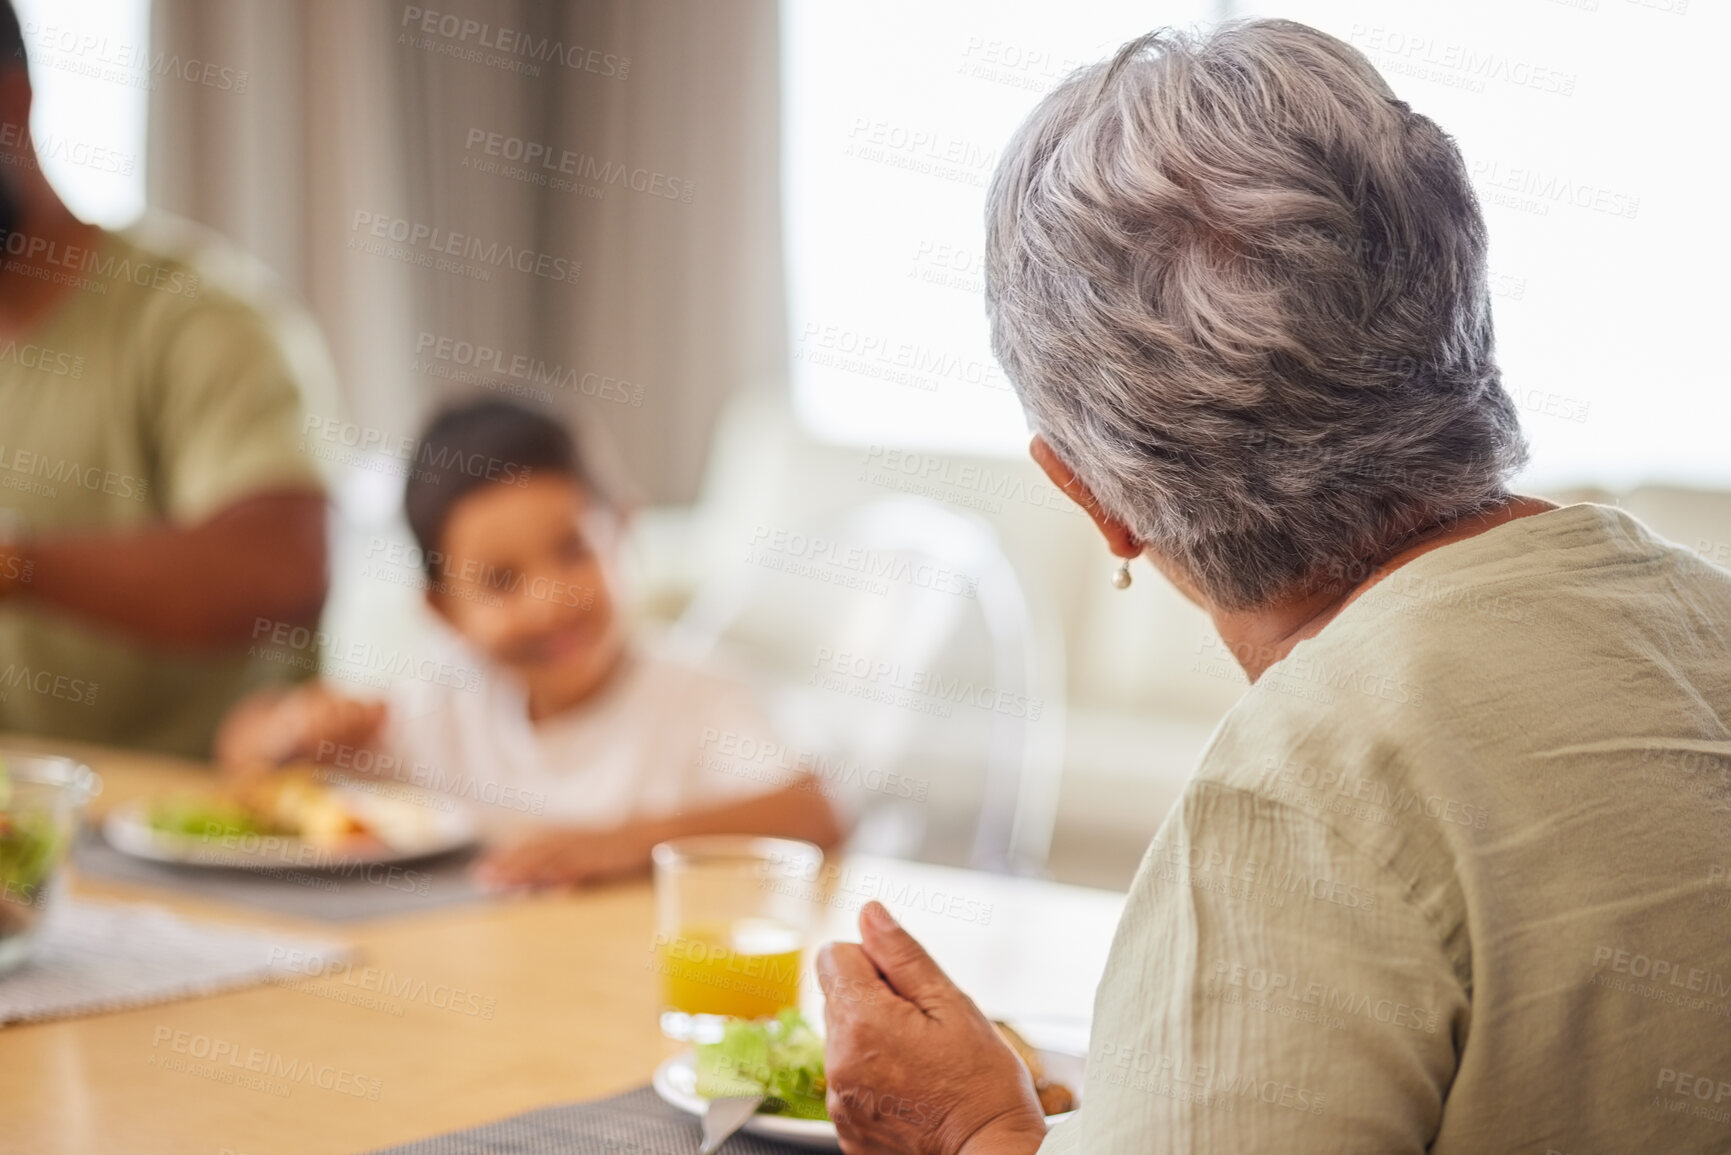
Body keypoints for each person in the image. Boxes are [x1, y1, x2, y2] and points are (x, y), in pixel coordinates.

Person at [816, 20, 1731, 1155]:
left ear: (1097, 497)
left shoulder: (1300, 799)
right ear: (1464, 313)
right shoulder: (1709, 619)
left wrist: (973, 1131)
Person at [216, 399, 845, 888]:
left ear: (623, 532)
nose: (551, 603)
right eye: (501, 581)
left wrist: (622, 844)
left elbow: (814, 814)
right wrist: (293, 730)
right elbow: (240, 749)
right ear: (444, 611)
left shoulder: (697, 691)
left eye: (574, 550)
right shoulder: (446, 704)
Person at [0, 2, 332, 756]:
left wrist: (18, 565)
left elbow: (285, 566)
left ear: (12, 102)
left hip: (206, 838)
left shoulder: (201, 319)